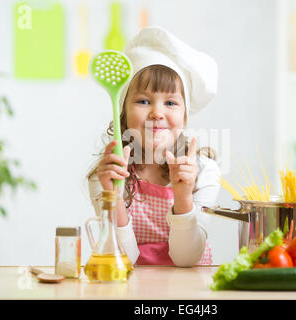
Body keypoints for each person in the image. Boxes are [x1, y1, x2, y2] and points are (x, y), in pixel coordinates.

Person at [87, 26, 220, 267]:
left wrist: (183, 197)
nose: (157, 113)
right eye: (143, 101)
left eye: (170, 102)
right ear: (124, 112)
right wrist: (113, 197)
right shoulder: (105, 175)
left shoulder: (204, 172)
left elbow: (186, 258)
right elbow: (122, 260)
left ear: (185, 116)